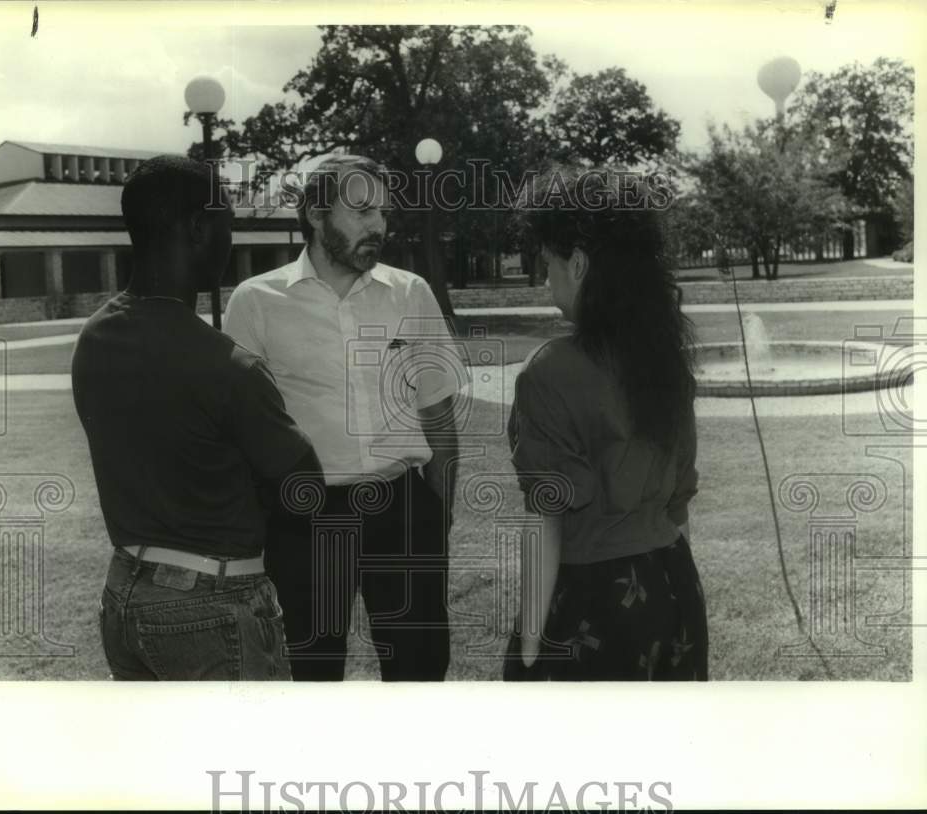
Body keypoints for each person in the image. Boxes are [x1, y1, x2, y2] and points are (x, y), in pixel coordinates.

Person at [72, 155, 322, 680]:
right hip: (211, 605)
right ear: (198, 228)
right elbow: (306, 491)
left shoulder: (94, 339)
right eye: (228, 222)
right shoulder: (229, 367)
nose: (231, 240)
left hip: (124, 594)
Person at [224, 155, 465, 681]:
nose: (377, 225)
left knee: (421, 674)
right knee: (311, 675)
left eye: (382, 212)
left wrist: (436, 512)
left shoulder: (411, 293)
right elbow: (239, 433)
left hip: (404, 508)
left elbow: (438, 410)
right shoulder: (256, 302)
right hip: (306, 516)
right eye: (360, 211)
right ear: (315, 213)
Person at [503, 166, 707, 681]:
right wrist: (681, 594)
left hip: (596, 600)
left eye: (547, 262)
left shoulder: (549, 371)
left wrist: (528, 646)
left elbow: (546, 519)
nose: (544, 277)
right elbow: (678, 506)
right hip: (674, 587)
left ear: (577, 264)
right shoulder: (666, 360)